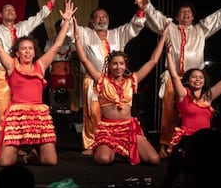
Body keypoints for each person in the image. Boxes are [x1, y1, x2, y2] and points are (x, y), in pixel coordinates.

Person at [132, 0, 221, 157]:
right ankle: (165, 144)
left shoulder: (201, 29)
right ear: (177, 15)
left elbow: (218, 18)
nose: (185, 15)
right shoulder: (169, 27)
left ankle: (197, 143)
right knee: (169, 111)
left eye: (188, 12)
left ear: (193, 16)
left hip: (195, 80)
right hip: (175, 77)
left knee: (196, 112)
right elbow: (154, 14)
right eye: (182, 12)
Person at [0, 0, 75, 166]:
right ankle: (20, 150)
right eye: (24, 49)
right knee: (5, 163)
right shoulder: (11, 65)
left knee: (51, 161)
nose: (27, 51)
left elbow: (57, 45)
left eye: (30, 48)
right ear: (17, 53)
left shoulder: (41, 65)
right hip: (17, 115)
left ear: (34, 51)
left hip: (39, 115)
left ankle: (32, 155)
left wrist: (66, 21)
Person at [0, 0, 63, 155]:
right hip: (1, 74)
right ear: (0, 14)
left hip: (20, 74)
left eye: (12, 9)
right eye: (6, 9)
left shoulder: (22, 27)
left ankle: (15, 145)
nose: (10, 11)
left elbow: (38, 17)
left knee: (18, 110)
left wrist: (52, 1)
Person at [73, 16, 170, 165]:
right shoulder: (102, 80)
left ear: (125, 65)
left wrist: (163, 37)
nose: (118, 67)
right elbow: (84, 59)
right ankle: (112, 149)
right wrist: (77, 38)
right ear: (109, 66)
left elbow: (152, 62)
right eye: (114, 64)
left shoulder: (132, 80)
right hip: (108, 129)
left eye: (121, 64)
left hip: (128, 128)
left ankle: (124, 149)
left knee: (154, 160)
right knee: (103, 160)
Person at [68, 0, 147, 154]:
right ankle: (91, 144)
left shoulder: (117, 33)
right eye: (97, 17)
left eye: (104, 17)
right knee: (93, 112)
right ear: (91, 21)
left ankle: (113, 144)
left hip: (115, 82)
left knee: (112, 115)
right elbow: (71, 30)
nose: (101, 19)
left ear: (108, 20)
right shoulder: (85, 33)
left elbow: (134, 27)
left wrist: (140, 9)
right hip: (94, 80)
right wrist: (68, 18)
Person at [164, 39, 221, 154]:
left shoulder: (208, 97)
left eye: (201, 77)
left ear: (204, 81)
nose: (198, 79)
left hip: (206, 139)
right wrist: (168, 54)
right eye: (194, 77)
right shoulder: (183, 94)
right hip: (188, 139)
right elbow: (175, 77)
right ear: (188, 80)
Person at [43, 18, 78, 114]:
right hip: (54, 68)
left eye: (63, 28)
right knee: (54, 89)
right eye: (59, 28)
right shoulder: (50, 41)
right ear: (56, 29)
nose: (60, 30)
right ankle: (54, 106)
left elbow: (75, 53)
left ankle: (70, 106)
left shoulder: (70, 40)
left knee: (70, 89)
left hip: (68, 68)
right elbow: (45, 54)